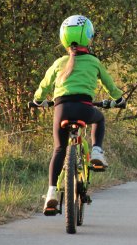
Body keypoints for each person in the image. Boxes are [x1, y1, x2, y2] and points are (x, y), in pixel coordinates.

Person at [33, 15, 126, 213]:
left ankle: (51, 194)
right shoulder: (94, 61)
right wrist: (118, 99)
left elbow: (44, 86)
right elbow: (111, 86)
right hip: (84, 108)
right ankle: (96, 152)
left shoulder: (59, 63)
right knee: (99, 118)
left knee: (59, 149)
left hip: (61, 109)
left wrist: (37, 100)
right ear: (88, 37)